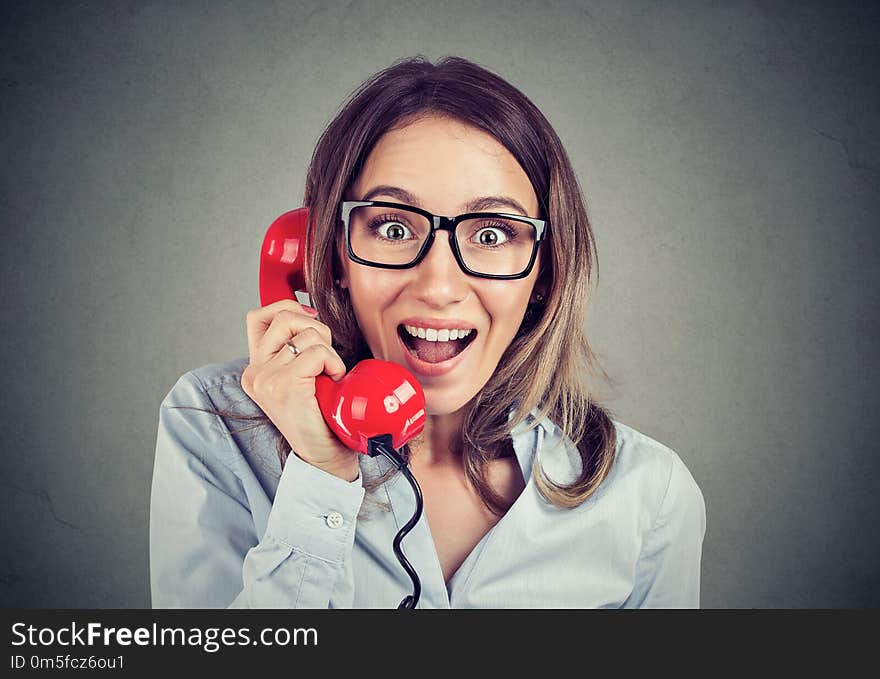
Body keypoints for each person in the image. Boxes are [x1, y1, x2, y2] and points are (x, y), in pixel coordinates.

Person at [150, 56, 706, 609]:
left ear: (545, 269)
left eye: (492, 234)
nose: (439, 286)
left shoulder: (648, 496)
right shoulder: (212, 428)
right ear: (332, 254)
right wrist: (320, 477)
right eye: (393, 227)